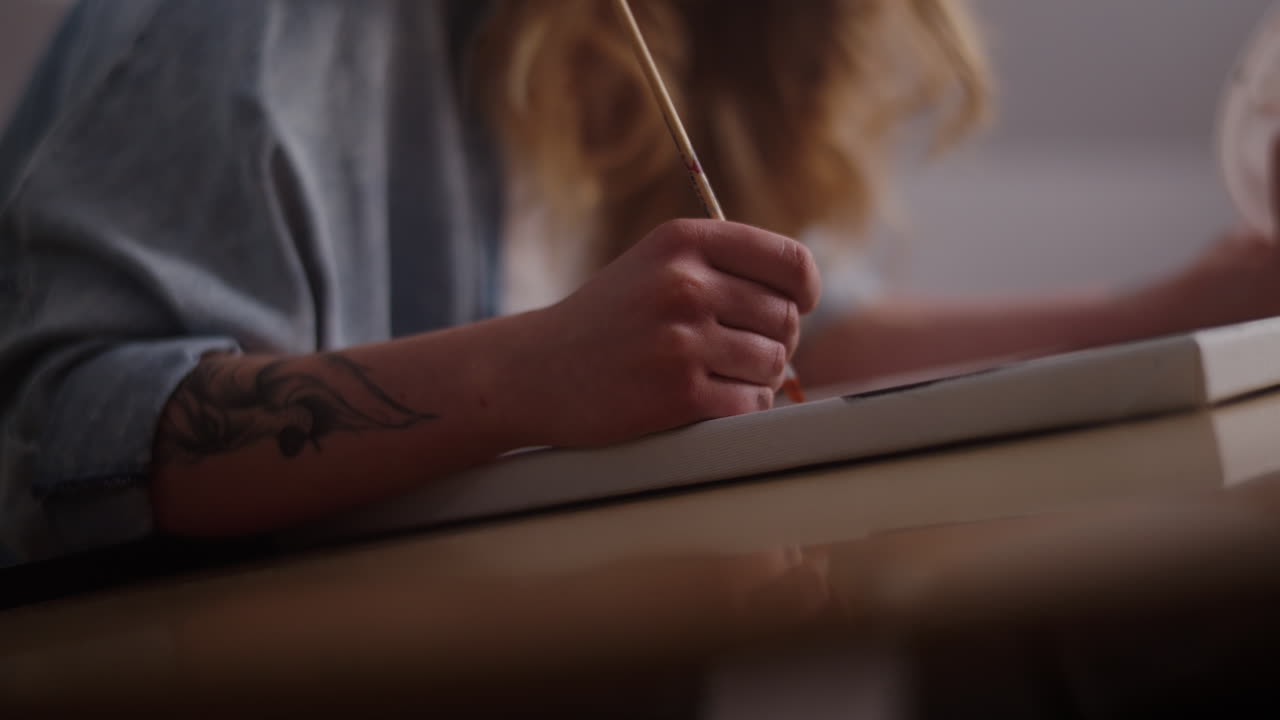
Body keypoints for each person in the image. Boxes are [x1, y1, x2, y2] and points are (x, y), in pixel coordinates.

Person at [1, 0, 1277, 566]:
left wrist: (1165, 314)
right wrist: (524, 374)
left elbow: (780, 345)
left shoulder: (678, 41)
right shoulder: (252, 25)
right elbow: (73, 443)